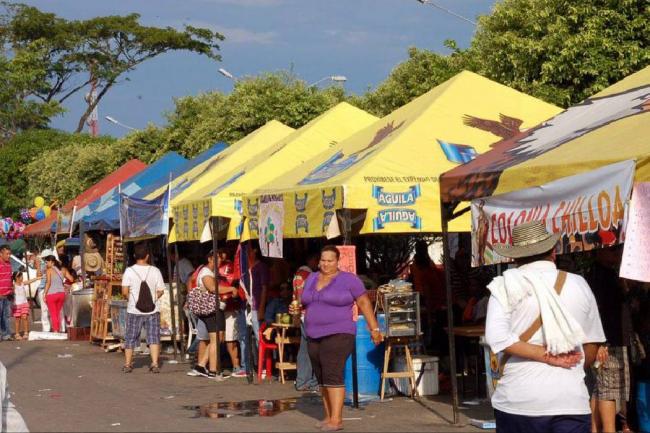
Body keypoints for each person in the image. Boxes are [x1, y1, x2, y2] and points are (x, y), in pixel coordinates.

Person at [485, 221, 606, 433]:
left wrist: (544, 355)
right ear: (553, 252)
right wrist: (566, 364)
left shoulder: (504, 285)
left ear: (515, 257)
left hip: (518, 400)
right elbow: (592, 342)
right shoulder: (579, 284)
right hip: (570, 400)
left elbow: (497, 338)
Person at [302, 245, 383, 431]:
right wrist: (297, 308)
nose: (325, 264)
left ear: (338, 261)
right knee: (321, 375)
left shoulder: (349, 280)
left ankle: (336, 420)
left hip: (339, 332)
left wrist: (374, 328)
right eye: (323, 260)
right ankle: (328, 416)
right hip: (313, 333)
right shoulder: (312, 278)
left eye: (330, 261)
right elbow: (305, 301)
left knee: (332, 372)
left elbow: (363, 302)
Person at [586, 246, 632, 433]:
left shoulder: (599, 275)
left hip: (605, 340)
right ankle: (609, 429)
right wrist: (602, 342)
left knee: (600, 388)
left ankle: (595, 429)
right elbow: (601, 310)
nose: (617, 254)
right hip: (608, 341)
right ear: (600, 252)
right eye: (613, 250)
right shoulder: (601, 277)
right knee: (609, 390)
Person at [187, 250, 237, 379]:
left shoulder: (210, 272)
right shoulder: (206, 272)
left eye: (222, 259)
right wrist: (231, 289)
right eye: (218, 258)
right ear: (210, 258)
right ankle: (213, 370)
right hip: (212, 309)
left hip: (212, 309)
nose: (220, 261)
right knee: (215, 339)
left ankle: (201, 365)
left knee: (217, 338)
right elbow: (213, 288)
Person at [120, 242, 166, 373]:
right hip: (153, 310)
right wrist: (153, 299)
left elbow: (124, 291)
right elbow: (161, 290)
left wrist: (132, 300)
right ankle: (155, 363)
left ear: (135, 255)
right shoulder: (155, 271)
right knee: (153, 336)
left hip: (134, 310)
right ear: (147, 256)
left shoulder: (129, 271)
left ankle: (128, 364)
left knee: (131, 336)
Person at [291, 252, 320, 392]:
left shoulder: (298, 274)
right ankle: (312, 381)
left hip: (302, 315)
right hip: (309, 315)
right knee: (313, 349)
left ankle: (303, 381)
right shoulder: (307, 275)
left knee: (305, 348)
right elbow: (304, 298)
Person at [218, 249, 246, 378]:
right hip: (216, 308)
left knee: (231, 338)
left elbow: (238, 283)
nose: (220, 257)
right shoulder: (208, 269)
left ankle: (236, 365)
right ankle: (215, 365)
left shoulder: (232, 266)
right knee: (215, 337)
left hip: (231, 308)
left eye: (221, 253)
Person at [241, 244, 270, 357]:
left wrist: (261, 307)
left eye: (249, 250)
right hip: (248, 306)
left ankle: (264, 363)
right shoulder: (246, 268)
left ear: (255, 251)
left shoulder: (261, 267)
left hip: (257, 306)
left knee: (260, 336)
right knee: (249, 336)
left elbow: (264, 288)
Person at [43, 255, 73, 333]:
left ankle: (56, 330)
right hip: (61, 294)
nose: (46, 264)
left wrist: (44, 293)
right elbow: (71, 279)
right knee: (58, 312)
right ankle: (57, 329)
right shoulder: (63, 269)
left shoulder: (49, 270)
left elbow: (48, 283)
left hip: (51, 294)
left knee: (53, 313)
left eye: (47, 262)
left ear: (51, 262)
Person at [12, 271, 37, 340]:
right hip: (16, 305)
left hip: (24, 303)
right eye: (21, 276)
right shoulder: (13, 285)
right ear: (16, 278)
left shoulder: (22, 284)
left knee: (25, 317)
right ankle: (17, 333)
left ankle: (26, 332)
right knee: (17, 319)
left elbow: (29, 281)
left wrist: (37, 278)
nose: (22, 278)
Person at [0, 245, 13, 340]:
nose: (9, 255)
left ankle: (6, 335)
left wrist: (11, 290)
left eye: (9, 253)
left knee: (7, 316)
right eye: (7, 254)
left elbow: (9, 278)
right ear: (1, 253)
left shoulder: (9, 264)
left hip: (7, 295)